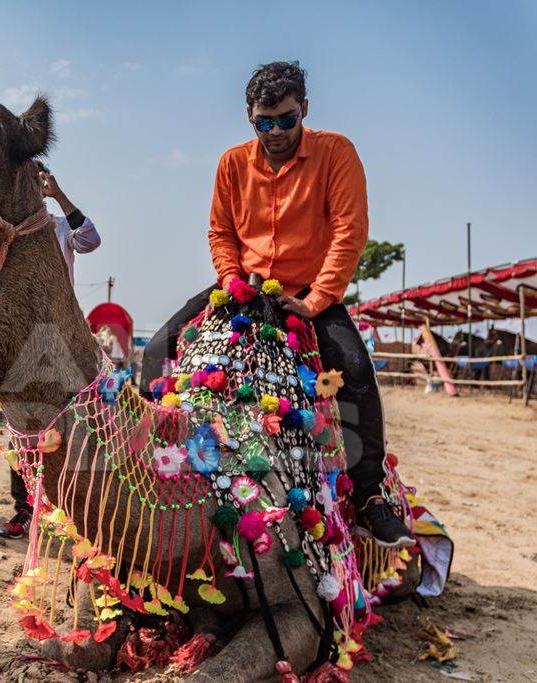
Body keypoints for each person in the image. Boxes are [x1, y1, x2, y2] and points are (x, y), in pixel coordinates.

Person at [141, 61, 413, 548]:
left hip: (309, 293)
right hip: (243, 287)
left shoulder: (336, 152)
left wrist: (315, 301)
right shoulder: (231, 162)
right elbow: (220, 231)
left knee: (354, 366)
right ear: (249, 117)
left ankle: (370, 497)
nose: (275, 132)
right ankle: (145, 470)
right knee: (154, 351)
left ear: (304, 109)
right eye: (263, 123)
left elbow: (350, 231)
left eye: (286, 120)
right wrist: (230, 280)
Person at [0, 162, 101, 539]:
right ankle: (25, 511)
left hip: (65, 340)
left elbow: (90, 239)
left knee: (70, 428)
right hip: (19, 342)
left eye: (35, 183)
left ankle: (72, 512)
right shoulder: (6, 232)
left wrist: (59, 195)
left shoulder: (59, 227)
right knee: (22, 430)